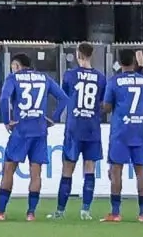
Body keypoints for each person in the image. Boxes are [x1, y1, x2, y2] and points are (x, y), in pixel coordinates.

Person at [0, 53, 63, 220]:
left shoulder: (13, 78)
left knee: (8, 169)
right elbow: (64, 98)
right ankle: (31, 213)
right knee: (36, 172)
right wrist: (53, 118)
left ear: (17, 65)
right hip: (40, 130)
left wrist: (6, 120)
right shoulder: (44, 78)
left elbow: (4, 98)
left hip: (21, 130)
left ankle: (0, 212)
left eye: (13, 66)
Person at [52, 42, 107, 218]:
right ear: (91, 55)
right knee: (89, 169)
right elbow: (103, 103)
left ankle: (60, 210)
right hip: (92, 128)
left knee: (67, 169)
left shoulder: (70, 75)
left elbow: (64, 97)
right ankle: (85, 210)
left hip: (74, 128)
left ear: (78, 54)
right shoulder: (101, 78)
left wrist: (55, 117)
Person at [104, 50, 143, 220]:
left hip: (120, 131)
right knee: (140, 171)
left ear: (119, 63)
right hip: (138, 130)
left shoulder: (114, 81)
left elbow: (107, 107)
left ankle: (116, 212)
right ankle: (142, 213)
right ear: (134, 61)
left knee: (116, 170)